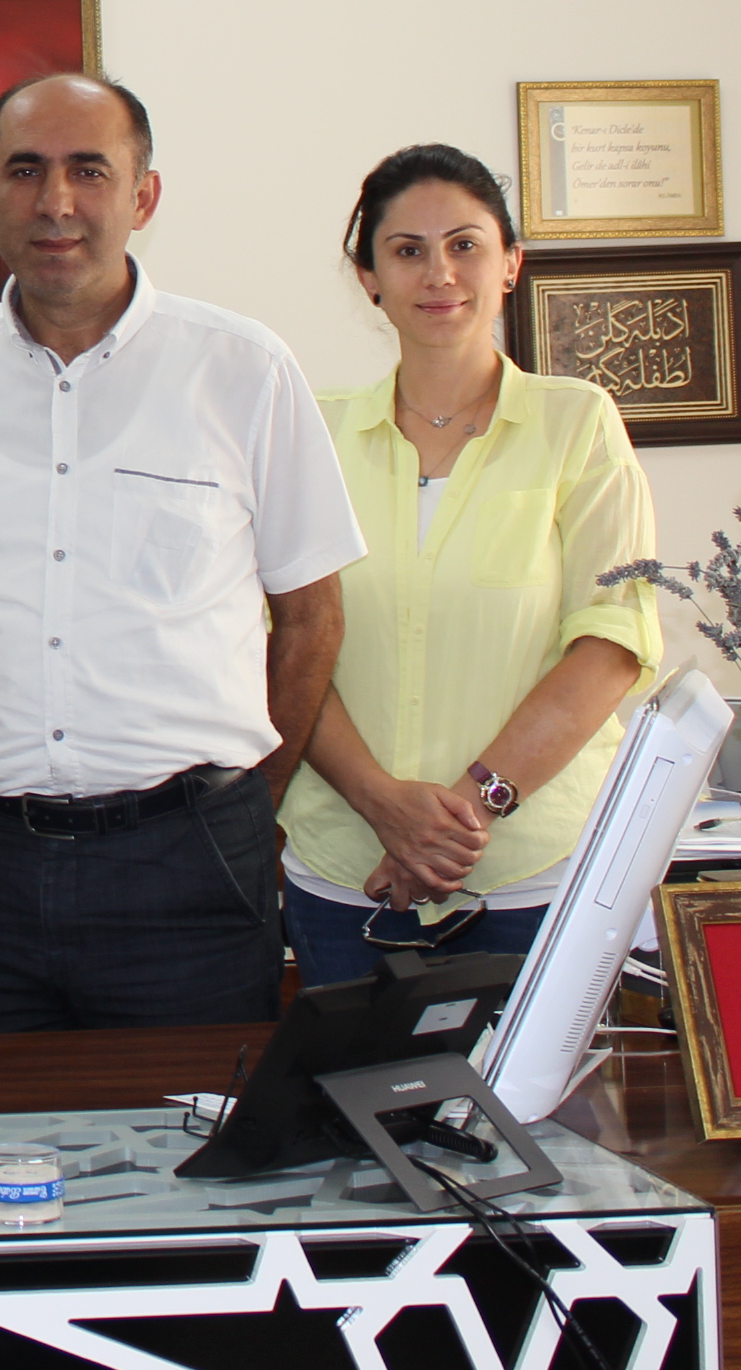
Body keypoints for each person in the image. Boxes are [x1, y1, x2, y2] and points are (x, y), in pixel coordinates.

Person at [0, 72, 362, 1032]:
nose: (56, 202)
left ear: (144, 195)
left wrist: (245, 804)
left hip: (185, 864)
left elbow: (311, 617)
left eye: (89, 170)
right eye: (25, 171)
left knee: (193, 1126)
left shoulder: (244, 370)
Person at [283, 145, 659, 987]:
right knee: (347, 1081)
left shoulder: (578, 424)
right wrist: (384, 806)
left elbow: (610, 644)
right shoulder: (313, 434)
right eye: (406, 250)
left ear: (511, 263)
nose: (439, 274)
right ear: (368, 277)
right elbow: (284, 647)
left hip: (533, 878)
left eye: (465, 245)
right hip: (347, 874)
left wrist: (463, 815)